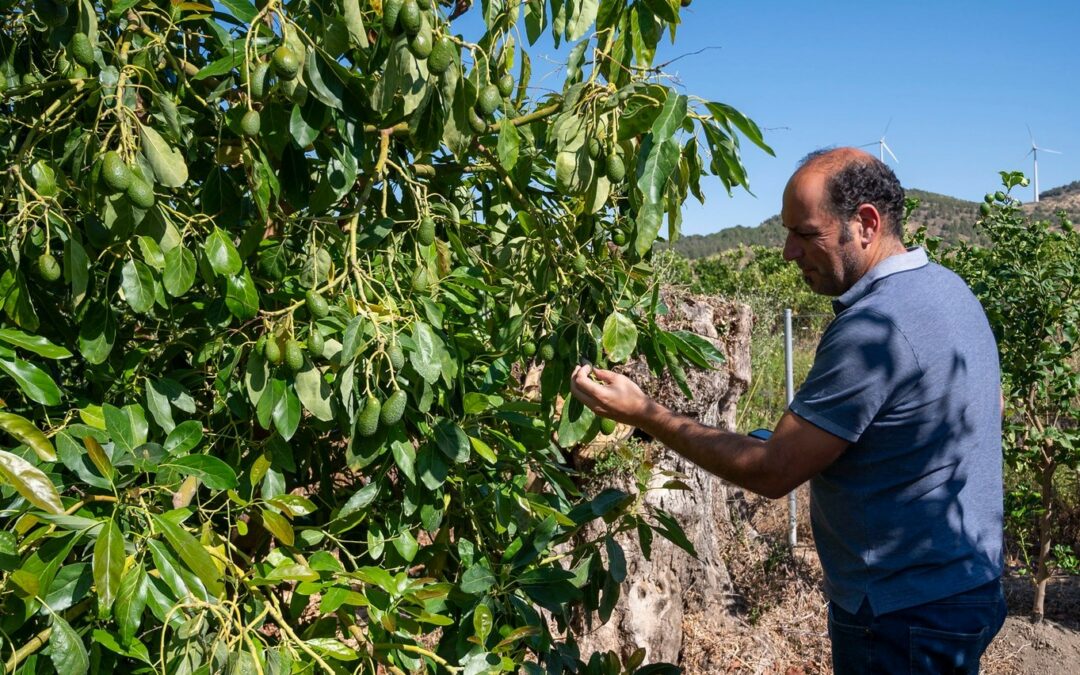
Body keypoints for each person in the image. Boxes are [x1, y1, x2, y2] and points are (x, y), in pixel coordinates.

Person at [570, 148, 1006, 674]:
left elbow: (774, 473)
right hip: (968, 586)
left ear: (865, 224)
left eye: (805, 233)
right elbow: (955, 414)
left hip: (899, 612)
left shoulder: (874, 329)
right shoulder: (949, 290)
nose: (787, 253)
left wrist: (645, 413)